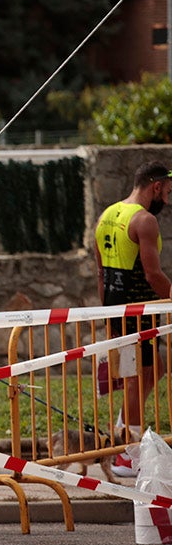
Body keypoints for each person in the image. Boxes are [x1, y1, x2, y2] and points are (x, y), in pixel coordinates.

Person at [93, 161, 172, 477]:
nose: (166, 199)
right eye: (167, 192)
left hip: (115, 309)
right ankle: (130, 453)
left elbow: (100, 272)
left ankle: (123, 427)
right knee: (136, 379)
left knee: (152, 370)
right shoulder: (145, 220)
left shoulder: (106, 216)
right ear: (155, 187)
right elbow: (153, 274)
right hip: (139, 312)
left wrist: (105, 314)